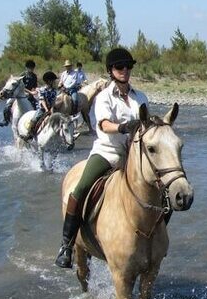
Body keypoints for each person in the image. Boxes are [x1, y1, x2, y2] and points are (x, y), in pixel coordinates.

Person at [54, 47, 148, 268]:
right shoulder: (104, 97)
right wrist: (124, 127)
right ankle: (66, 245)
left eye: (128, 66)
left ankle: (153, 240)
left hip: (133, 156)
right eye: (119, 66)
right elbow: (103, 124)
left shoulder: (140, 97)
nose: (125, 70)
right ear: (110, 70)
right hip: (107, 153)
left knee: (163, 190)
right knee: (80, 189)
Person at [0, 59, 38, 127]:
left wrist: (33, 92)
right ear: (27, 68)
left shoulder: (34, 76)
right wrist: (29, 92)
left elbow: (34, 86)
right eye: (30, 68)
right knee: (8, 104)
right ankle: (5, 119)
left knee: (36, 104)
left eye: (32, 68)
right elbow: (20, 86)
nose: (31, 69)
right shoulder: (23, 75)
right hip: (20, 93)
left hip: (29, 94)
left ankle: (36, 120)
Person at [25, 71, 58, 139]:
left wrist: (52, 109)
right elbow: (42, 100)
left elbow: (54, 101)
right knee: (34, 119)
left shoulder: (54, 91)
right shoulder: (42, 89)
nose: (54, 82)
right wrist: (46, 109)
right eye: (53, 80)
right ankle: (29, 133)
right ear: (49, 81)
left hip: (51, 108)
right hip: (42, 109)